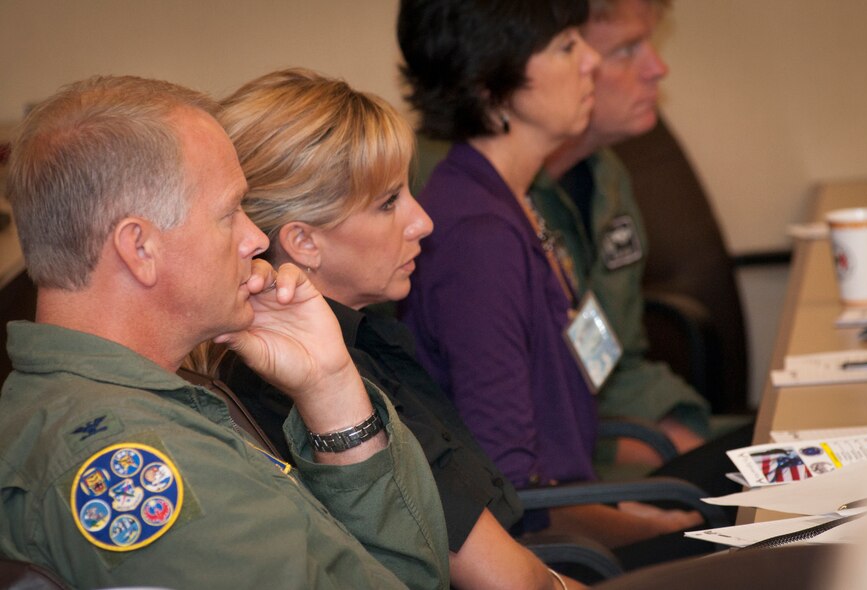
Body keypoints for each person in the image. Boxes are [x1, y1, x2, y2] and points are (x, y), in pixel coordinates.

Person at [0, 75, 449, 590]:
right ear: (139, 249)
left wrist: (328, 385)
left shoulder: (138, 402)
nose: (256, 238)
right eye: (229, 212)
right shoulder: (150, 471)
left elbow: (407, 573)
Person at [206, 67, 588, 589]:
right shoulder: (317, 379)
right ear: (303, 242)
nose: (423, 222)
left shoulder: (366, 339)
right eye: (389, 203)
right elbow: (510, 582)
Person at [397, 0, 704, 553]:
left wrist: (620, 511)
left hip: (577, 519)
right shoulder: (478, 237)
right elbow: (519, 500)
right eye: (566, 46)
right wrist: (655, 532)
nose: (589, 59)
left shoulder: (509, 201)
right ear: (492, 87)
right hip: (559, 556)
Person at [532, 0, 709, 468]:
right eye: (628, 50)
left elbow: (617, 360)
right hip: (551, 467)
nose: (658, 68)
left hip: (622, 420)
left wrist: (678, 430)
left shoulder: (606, 176)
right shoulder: (471, 205)